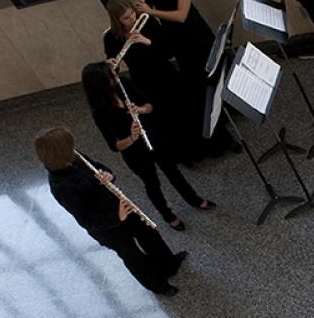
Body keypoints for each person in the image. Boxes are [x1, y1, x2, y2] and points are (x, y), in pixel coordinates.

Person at [35, 126, 186, 296]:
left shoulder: (74, 156)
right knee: (132, 255)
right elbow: (86, 220)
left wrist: (108, 174)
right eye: (68, 145)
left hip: (118, 205)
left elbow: (98, 166)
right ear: (59, 153)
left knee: (148, 233)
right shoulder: (61, 187)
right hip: (107, 227)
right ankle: (158, 285)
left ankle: (169, 265)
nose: (73, 147)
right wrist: (117, 216)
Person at [81, 62, 215, 232]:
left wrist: (141, 109)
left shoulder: (124, 84)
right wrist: (132, 137)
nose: (115, 78)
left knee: (172, 171)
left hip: (154, 136)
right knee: (152, 183)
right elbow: (114, 145)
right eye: (110, 77)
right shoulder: (99, 111)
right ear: (99, 84)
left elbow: (150, 106)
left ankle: (194, 199)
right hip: (134, 152)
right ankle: (168, 215)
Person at [132, 0, 240, 159]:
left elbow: (182, 15)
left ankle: (230, 107)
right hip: (175, 41)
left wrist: (151, 11)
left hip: (195, 34)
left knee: (214, 72)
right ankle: (215, 118)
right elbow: (150, 17)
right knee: (196, 80)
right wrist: (141, 13)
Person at [103, 0, 204, 166]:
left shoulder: (147, 21)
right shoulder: (111, 38)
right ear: (117, 21)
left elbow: (169, 50)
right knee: (165, 119)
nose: (132, 19)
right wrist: (112, 64)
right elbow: (114, 67)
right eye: (126, 18)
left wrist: (145, 41)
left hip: (166, 73)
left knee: (185, 110)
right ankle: (184, 155)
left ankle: (203, 147)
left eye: (131, 14)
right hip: (143, 81)